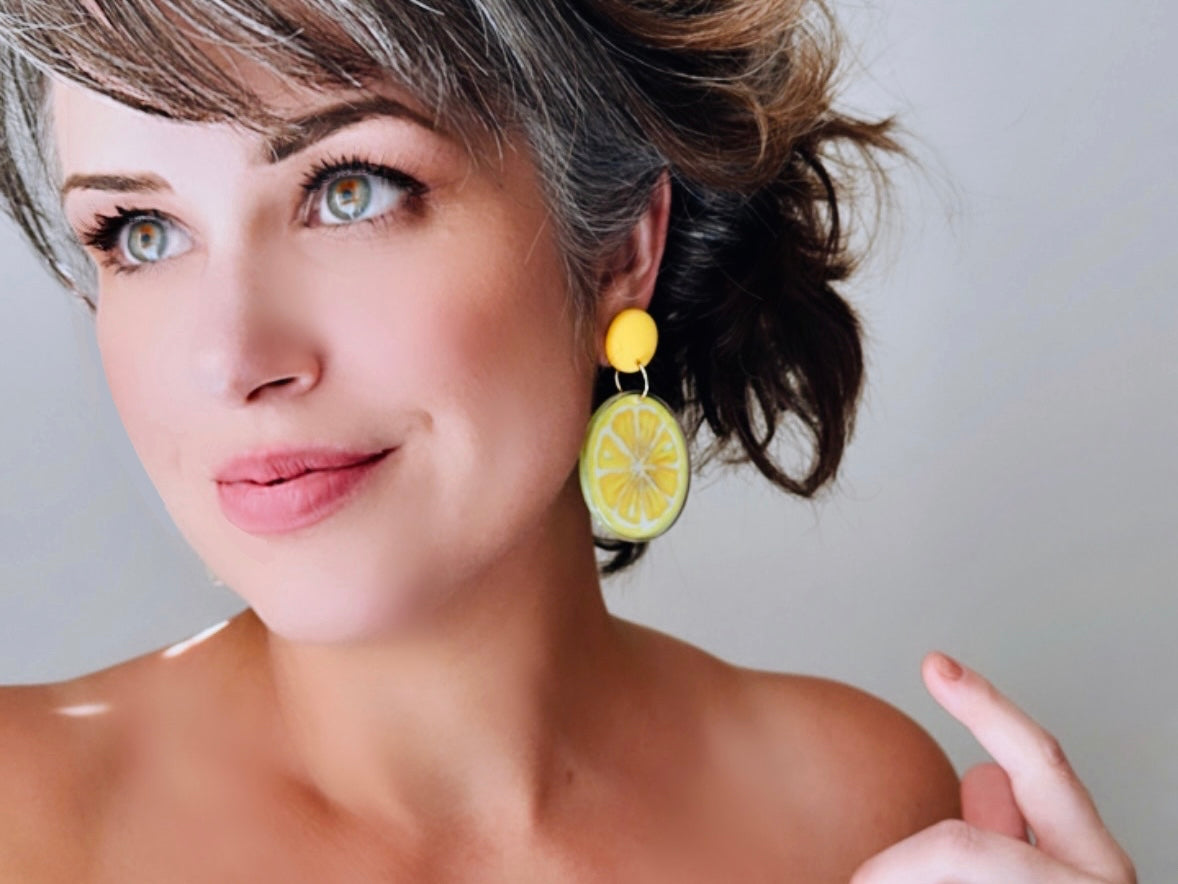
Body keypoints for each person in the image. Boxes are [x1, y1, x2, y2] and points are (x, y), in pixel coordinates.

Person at [0, 1, 1136, 881]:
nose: (233, 359)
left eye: (348, 191)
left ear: (618, 248)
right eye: (138, 232)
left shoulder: (855, 806)